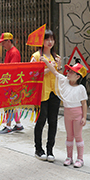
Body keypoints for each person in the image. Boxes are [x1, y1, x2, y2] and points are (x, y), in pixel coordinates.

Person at [40, 58, 88, 168]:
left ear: (77, 77)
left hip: (77, 114)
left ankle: (80, 159)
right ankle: (69, 157)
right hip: (67, 114)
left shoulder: (81, 88)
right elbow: (55, 72)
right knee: (69, 136)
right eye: (69, 71)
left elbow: (84, 104)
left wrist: (84, 117)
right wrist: (47, 63)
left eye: (71, 72)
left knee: (78, 136)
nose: (68, 73)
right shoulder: (64, 81)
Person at [30, 29, 61, 162]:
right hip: (42, 93)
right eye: (47, 39)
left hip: (55, 92)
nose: (50, 42)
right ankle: (38, 149)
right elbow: (32, 75)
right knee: (41, 121)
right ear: (41, 41)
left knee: (53, 122)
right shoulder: (36, 56)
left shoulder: (57, 57)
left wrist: (55, 66)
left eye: (52, 39)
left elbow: (58, 75)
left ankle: (50, 150)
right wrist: (49, 67)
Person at [0, 33, 24, 134]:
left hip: (12, 83)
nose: (2, 44)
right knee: (12, 104)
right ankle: (18, 124)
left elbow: (12, 69)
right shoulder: (9, 52)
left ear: (8, 41)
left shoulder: (14, 52)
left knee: (9, 105)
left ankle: (8, 126)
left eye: (3, 42)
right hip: (9, 81)